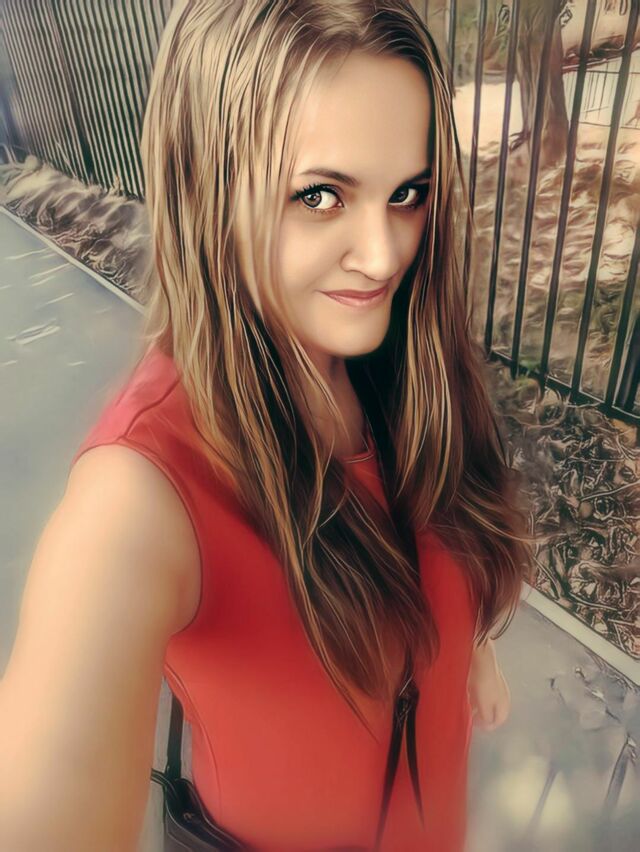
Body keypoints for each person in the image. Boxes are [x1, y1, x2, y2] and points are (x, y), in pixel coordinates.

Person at [0, 1, 534, 850]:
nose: (384, 254)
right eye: (320, 195)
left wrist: (469, 647)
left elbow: (441, 534)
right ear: (206, 191)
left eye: (407, 193)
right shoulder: (138, 499)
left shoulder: (405, 361)